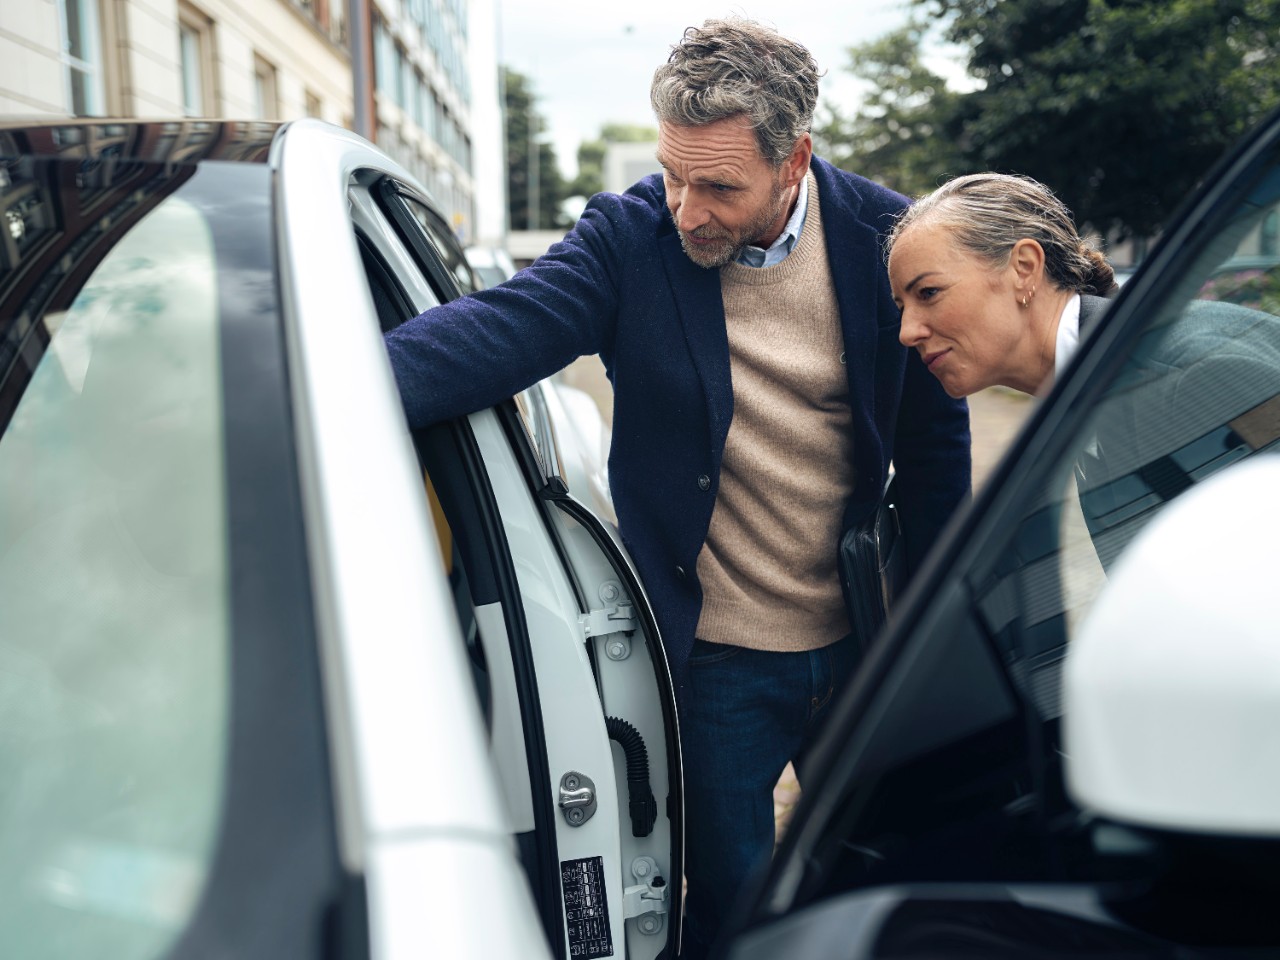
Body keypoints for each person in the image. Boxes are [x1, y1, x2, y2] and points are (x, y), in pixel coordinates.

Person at [385, 18, 971, 956]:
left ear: (793, 162)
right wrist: (314, 383)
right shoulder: (631, 239)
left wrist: (938, 627)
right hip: (718, 661)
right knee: (733, 901)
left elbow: (936, 452)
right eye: (673, 175)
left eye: (720, 187)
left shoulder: (881, 237)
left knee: (878, 874)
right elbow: (498, 331)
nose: (688, 209)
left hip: (865, 636)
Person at [888, 172, 1119, 401]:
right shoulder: (1102, 377)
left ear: (1024, 268)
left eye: (928, 292)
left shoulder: (1133, 369)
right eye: (902, 309)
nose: (907, 334)